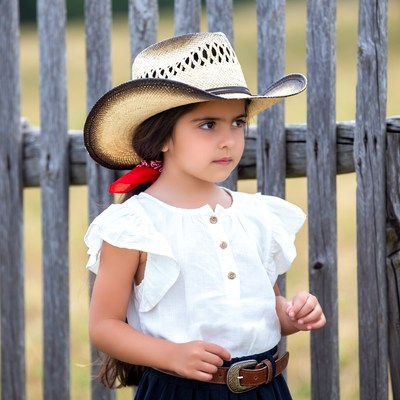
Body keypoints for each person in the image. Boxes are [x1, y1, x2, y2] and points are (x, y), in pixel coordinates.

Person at [83, 31, 326, 399]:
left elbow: (262, 307)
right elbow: (103, 326)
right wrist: (170, 355)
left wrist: (290, 316)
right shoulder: (134, 226)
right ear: (162, 136)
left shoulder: (255, 215)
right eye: (208, 124)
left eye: (238, 123)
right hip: (180, 391)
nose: (228, 139)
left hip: (268, 388)